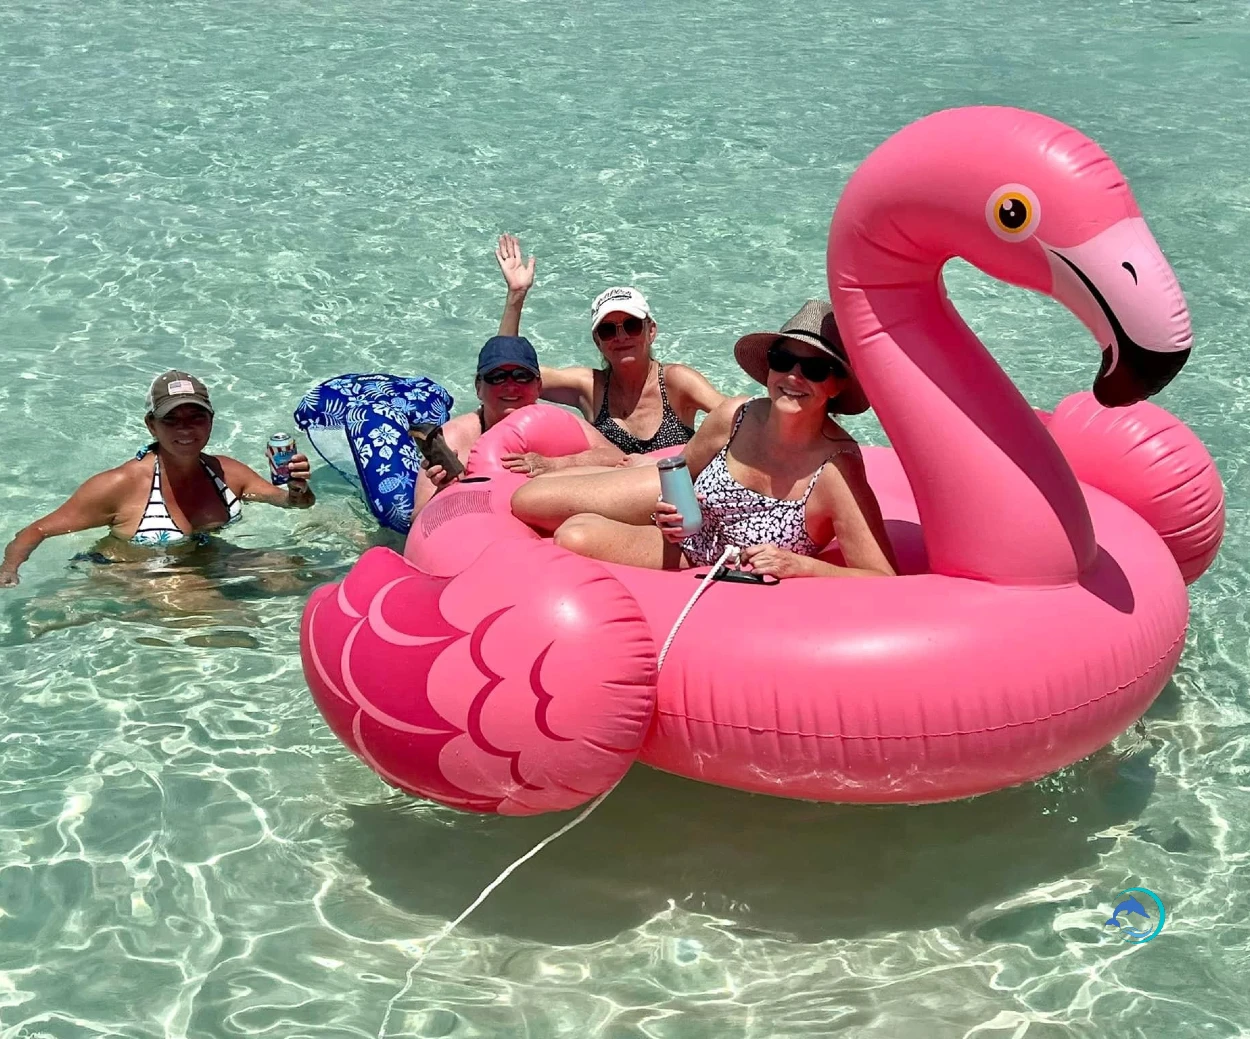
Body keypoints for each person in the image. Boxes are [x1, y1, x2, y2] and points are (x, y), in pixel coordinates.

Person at [511, 301, 897, 580]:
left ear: (836, 385)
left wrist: (804, 566)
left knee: (574, 535)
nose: (793, 376)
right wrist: (667, 512)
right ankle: (600, 464)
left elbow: (882, 577)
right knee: (527, 501)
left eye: (814, 368)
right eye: (783, 360)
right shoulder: (736, 416)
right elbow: (679, 475)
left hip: (710, 564)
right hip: (686, 539)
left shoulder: (835, 471)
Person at [0, 371, 316, 587]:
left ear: (211, 421)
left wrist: (298, 489)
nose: (185, 429)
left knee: (298, 574)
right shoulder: (120, 484)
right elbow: (36, 530)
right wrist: (8, 570)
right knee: (232, 622)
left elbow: (292, 504)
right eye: (171, 419)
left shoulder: (226, 472)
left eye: (196, 417)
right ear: (151, 425)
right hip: (129, 573)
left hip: (198, 564)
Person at [494, 234, 727, 466]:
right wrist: (516, 295)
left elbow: (737, 418)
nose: (621, 336)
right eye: (608, 330)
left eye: (631, 325)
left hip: (675, 495)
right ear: (597, 340)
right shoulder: (590, 387)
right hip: (612, 499)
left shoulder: (676, 382)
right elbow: (507, 369)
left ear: (651, 331)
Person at [415, 335, 628, 511]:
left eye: (521, 376)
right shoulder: (454, 439)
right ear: (478, 387)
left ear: (539, 385)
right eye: (497, 376)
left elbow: (618, 458)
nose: (511, 386)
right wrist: (444, 490)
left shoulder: (559, 423)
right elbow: (418, 521)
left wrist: (555, 465)